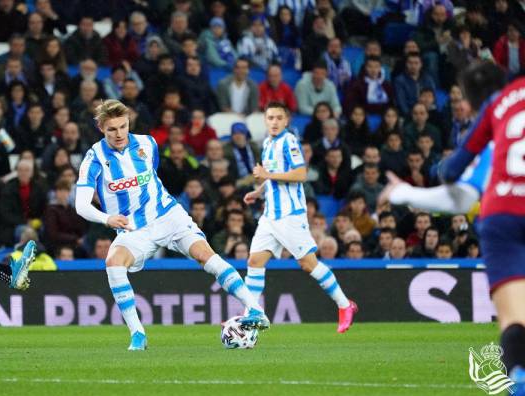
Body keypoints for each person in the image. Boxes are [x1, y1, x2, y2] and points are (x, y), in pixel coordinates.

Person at [75, 100, 269, 350]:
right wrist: (107, 218)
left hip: (167, 215)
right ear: (101, 128)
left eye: (123, 126)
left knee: (206, 255)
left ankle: (255, 309)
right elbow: (81, 205)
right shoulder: (94, 159)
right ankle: (138, 334)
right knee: (113, 263)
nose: (119, 134)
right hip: (133, 228)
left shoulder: (147, 144)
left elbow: (153, 177)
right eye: (112, 129)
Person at [385, 61, 525, 396]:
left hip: (502, 215)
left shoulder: (499, 112)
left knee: (515, 321)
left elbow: (459, 190)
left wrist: (405, 192)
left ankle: (519, 380)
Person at [243, 102, 357, 334]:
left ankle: (345, 305)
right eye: (270, 118)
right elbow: (273, 177)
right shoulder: (267, 143)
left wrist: (266, 174)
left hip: (289, 215)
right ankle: (250, 317)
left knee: (308, 264)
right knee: (254, 262)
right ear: (265, 121)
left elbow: (300, 174)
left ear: (286, 121)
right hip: (270, 215)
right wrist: (259, 191)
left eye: (279, 118)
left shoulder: (290, 141)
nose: (274, 122)